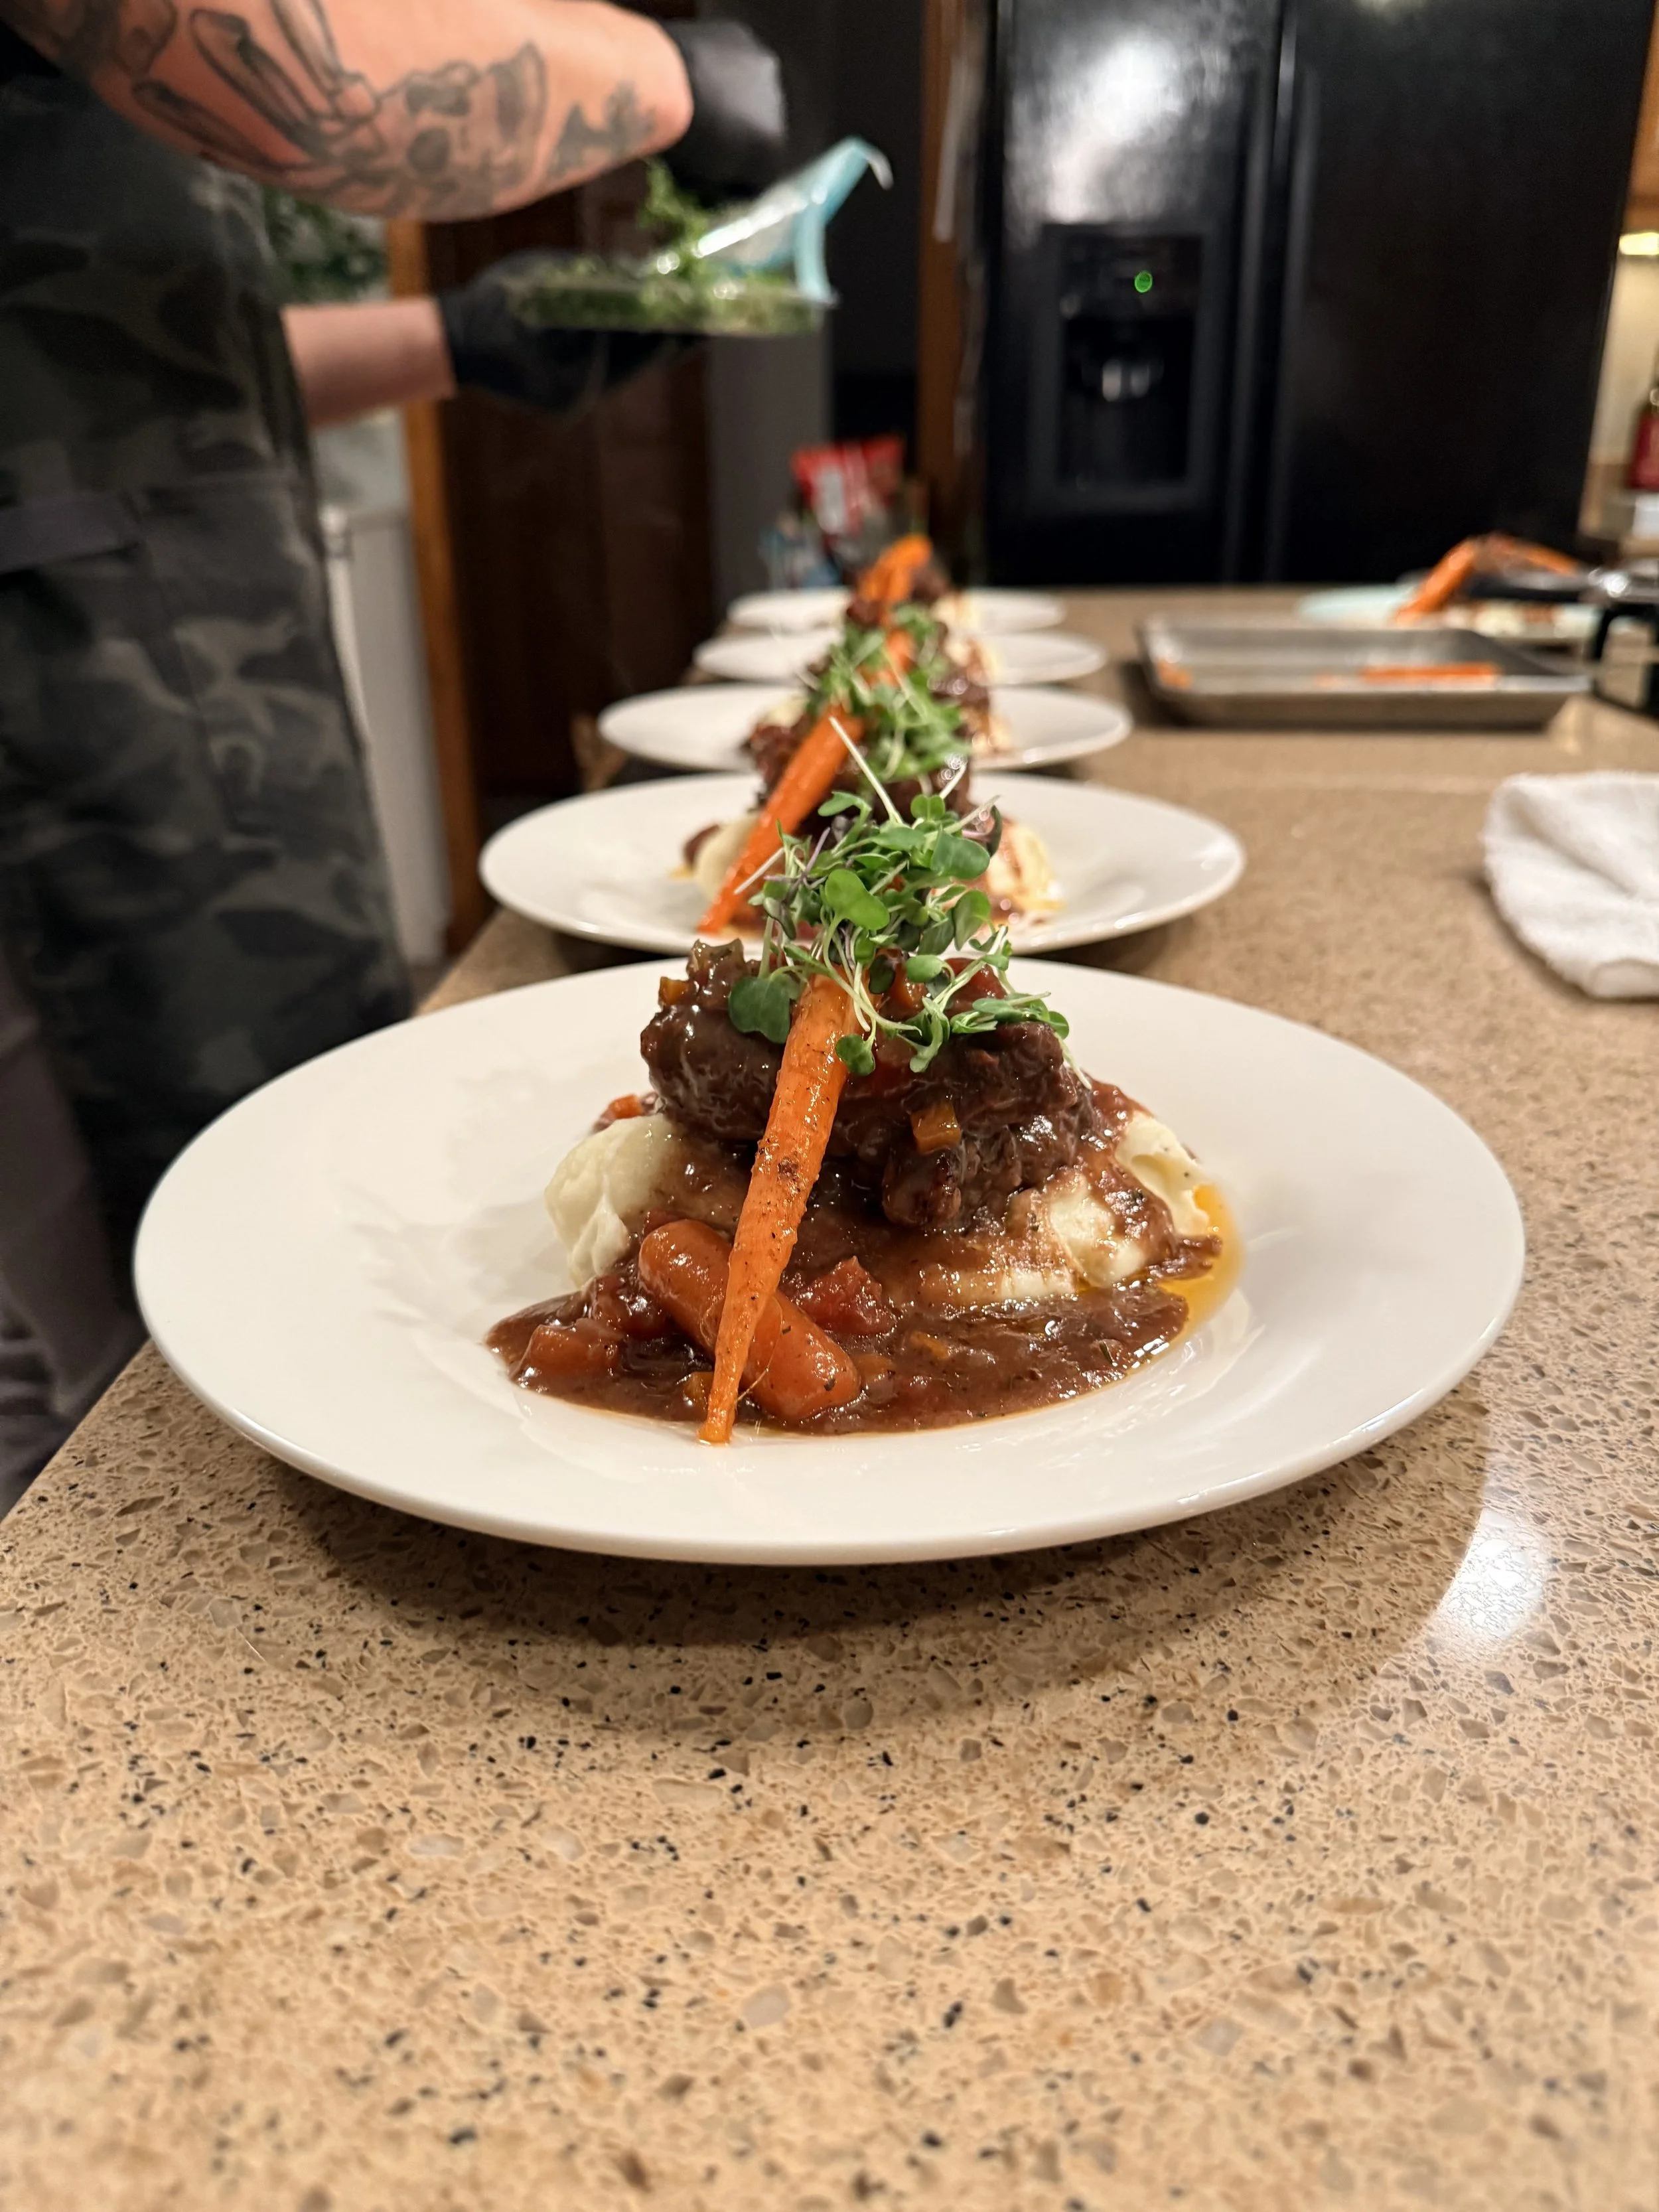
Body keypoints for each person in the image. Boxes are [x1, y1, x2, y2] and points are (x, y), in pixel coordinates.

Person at [0, 0, 787, 1499]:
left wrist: (467, 336)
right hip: (63, 726)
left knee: (174, 1299)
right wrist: (675, 73)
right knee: (154, 1376)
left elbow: (145, 363)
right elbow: (304, 82)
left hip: (167, 685)